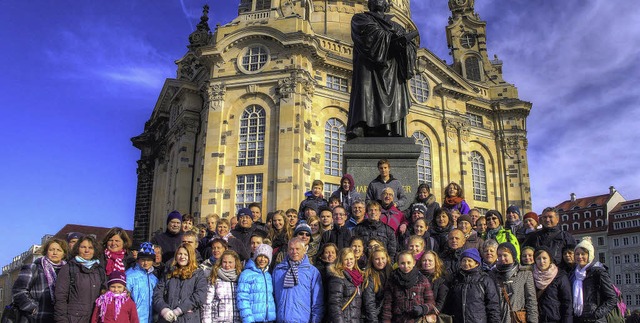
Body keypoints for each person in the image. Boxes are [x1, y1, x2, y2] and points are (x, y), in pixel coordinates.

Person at [347, 0, 418, 139]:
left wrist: (405, 45)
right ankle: (362, 124)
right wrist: (394, 40)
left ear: (387, 5)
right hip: (369, 67)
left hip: (392, 70)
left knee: (393, 94)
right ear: (369, 3)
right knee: (365, 91)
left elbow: (410, 49)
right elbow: (369, 38)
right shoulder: (360, 19)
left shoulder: (397, 26)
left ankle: (392, 128)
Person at [12, 238, 68, 323]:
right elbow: (18, 291)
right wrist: (33, 308)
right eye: (51, 250)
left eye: (59, 250)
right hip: (35, 318)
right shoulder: (34, 268)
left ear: (64, 254)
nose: (55, 253)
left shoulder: (68, 271)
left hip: (58, 319)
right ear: (46, 252)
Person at [55, 235, 107, 323]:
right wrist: (61, 320)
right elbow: (60, 298)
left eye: (90, 247)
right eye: (83, 247)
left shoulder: (100, 270)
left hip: (95, 318)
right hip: (73, 319)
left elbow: (105, 296)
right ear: (77, 248)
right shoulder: (68, 268)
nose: (87, 250)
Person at [272, 237, 324, 323]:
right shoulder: (278, 270)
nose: (294, 252)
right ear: (287, 250)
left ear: (304, 250)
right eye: (291, 249)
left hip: (302, 319)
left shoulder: (312, 272)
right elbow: (272, 296)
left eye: (297, 249)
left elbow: (317, 302)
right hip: (280, 319)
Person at [152, 243, 207, 323]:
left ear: (191, 256)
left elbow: (199, 296)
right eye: (180, 254)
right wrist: (164, 309)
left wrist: (179, 310)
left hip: (188, 319)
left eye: (186, 254)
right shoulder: (168, 272)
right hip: (167, 319)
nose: (182, 257)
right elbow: (157, 293)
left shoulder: (198, 274)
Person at [443, 248, 500, 323]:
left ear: (476, 263)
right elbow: (448, 304)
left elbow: (493, 306)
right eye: (464, 260)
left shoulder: (485, 280)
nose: (466, 263)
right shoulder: (455, 279)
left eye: (470, 261)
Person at [569, 237, 617, 323]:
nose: (580, 257)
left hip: (595, 320)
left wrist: (596, 315)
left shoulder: (598, 272)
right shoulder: (573, 273)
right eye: (577, 254)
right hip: (578, 319)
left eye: (583, 254)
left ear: (589, 255)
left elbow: (612, 298)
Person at [381, 251, 435, 323]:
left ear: (414, 263)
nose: (406, 266)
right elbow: (387, 305)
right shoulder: (392, 280)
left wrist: (423, 308)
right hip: (398, 320)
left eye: (409, 262)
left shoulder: (422, 279)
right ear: (398, 264)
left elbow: (431, 302)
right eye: (402, 263)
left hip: (418, 320)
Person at [491, 242, 538, 323]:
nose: (502, 258)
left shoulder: (524, 273)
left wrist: (532, 321)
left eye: (505, 255)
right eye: (499, 255)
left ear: (513, 255)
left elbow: (531, 300)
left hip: (518, 319)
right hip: (499, 319)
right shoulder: (492, 274)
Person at [326, 248, 377, 323]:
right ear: (341, 260)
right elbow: (334, 304)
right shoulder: (338, 277)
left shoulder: (358, 276)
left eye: (351, 259)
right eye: (346, 259)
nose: (349, 262)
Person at [237, 244, 277, 323]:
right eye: (260, 256)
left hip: (268, 320)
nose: (262, 259)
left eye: (266, 257)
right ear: (255, 257)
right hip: (253, 319)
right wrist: (248, 319)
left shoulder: (268, 275)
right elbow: (242, 298)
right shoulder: (246, 274)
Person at [532, 247, 572, 323]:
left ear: (550, 259)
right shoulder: (530, 275)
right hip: (536, 318)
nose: (541, 261)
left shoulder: (560, 276)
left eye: (544, 258)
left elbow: (567, 302)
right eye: (538, 258)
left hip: (554, 318)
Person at [202, 250, 242, 323]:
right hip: (219, 320)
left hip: (237, 320)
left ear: (235, 263)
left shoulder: (240, 278)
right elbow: (207, 303)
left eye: (230, 262)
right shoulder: (215, 278)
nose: (227, 265)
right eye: (224, 262)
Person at [125, 242, 158, 323]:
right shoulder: (129, 276)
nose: (146, 263)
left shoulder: (154, 279)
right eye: (143, 260)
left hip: (150, 319)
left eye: (149, 260)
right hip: (134, 319)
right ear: (138, 259)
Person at [364, 246, 392, 322]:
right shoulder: (369, 276)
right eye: (377, 259)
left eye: (383, 258)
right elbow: (369, 302)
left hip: (389, 315)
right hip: (375, 315)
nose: (380, 261)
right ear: (372, 260)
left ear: (387, 258)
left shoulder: (392, 273)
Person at [417, 251, 449, 318]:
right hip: (417, 312)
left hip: (433, 315)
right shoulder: (416, 276)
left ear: (435, 262)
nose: (427, 263)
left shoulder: (441, 279)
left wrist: (432, 313)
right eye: (424, 260)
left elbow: (441, 300)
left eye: (430, 260)